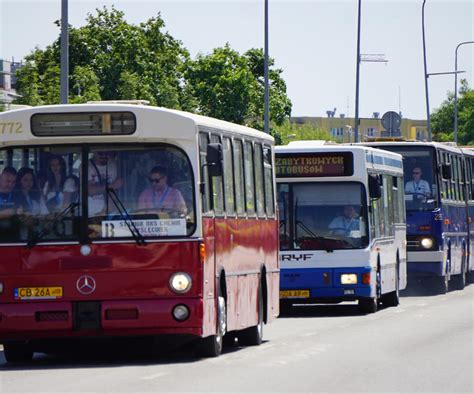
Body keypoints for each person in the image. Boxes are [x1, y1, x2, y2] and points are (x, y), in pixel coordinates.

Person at [88, 151, 123, 215]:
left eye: (107, 153)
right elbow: (90, 191)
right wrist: (112, 185)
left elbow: (115, 191)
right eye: (100, 153)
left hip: (109, 212)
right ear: (94, 152)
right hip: (90, 213)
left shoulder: (113, 165)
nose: (104, 155)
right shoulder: (86, 166)